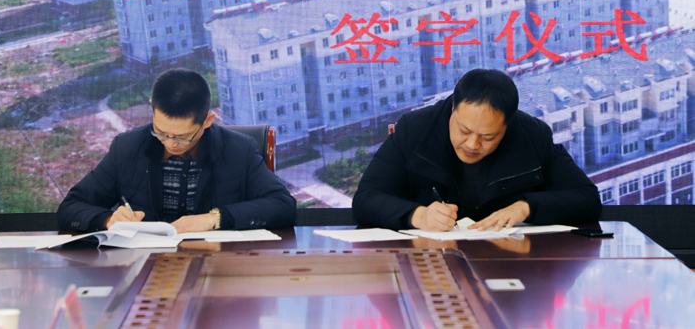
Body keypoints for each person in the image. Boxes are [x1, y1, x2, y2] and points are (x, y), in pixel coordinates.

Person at [352, 69, 601, 231]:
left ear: (508, 125)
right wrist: (418, 215)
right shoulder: (415, 130)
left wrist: (526, 207)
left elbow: (587, 199)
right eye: (464, 130)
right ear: (453, 108)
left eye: (488, 137)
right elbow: (366, 199)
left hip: (508, 264)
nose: (472, 144)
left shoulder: (532, 135)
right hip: (429, 263)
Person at [57, 69, 296, 232]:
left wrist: (214, 218)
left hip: (217, 264)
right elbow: (70, 207)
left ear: (207, 121)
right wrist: (108, 219)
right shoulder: (127, 147)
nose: (170, 144)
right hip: (144, 264)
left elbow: (283, 205)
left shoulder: (238, 150)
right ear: (152, 108)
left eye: (182, 137)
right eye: (161, 132)